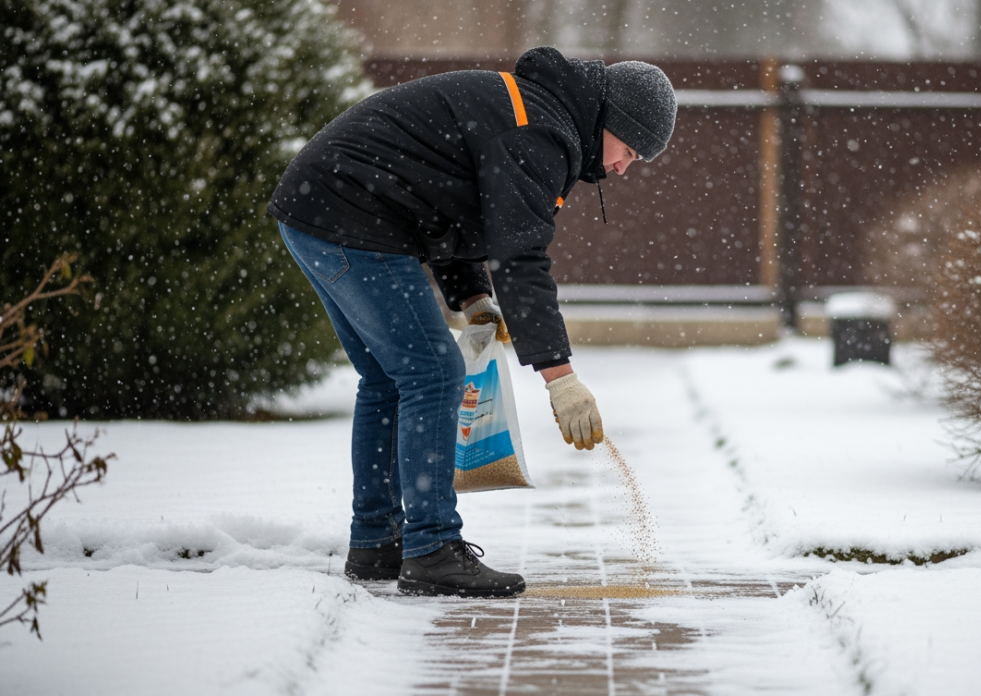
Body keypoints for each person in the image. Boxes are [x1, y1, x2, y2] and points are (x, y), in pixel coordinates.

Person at [266, 47, 677, 598]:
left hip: (318, 208)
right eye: (628, 150)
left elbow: (448, 206)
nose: (624, 168)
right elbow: (521, 255)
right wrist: (561, 379)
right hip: (350, 216)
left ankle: (376, 543)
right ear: (611, 122)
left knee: (390, 379)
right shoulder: (537, 132)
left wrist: (474, 298)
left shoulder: (536, 113)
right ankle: (432, 550)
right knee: (432, 374)